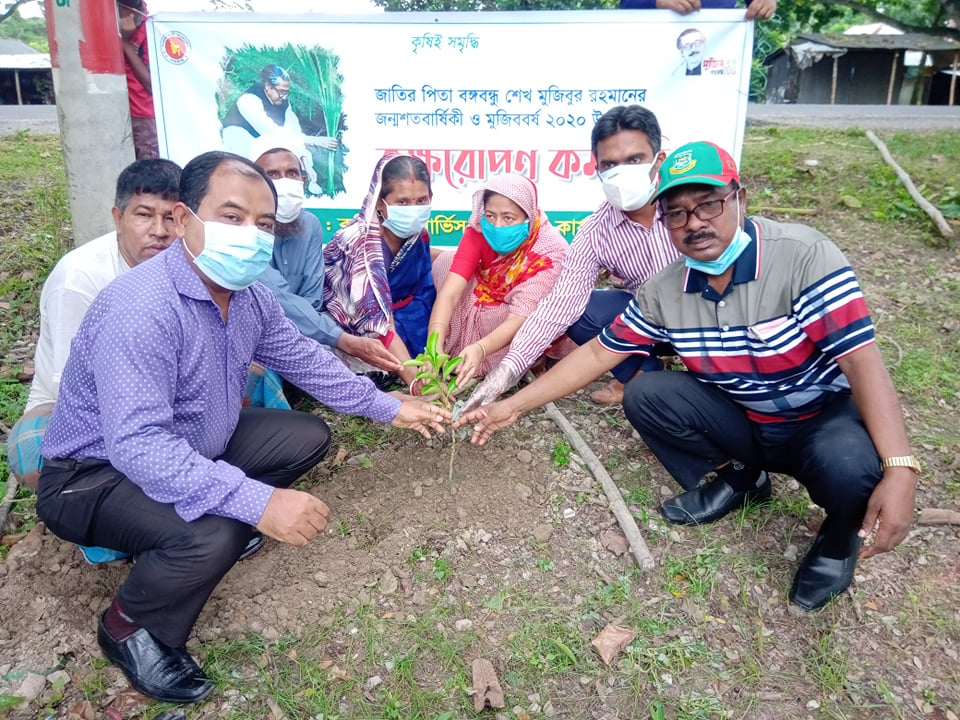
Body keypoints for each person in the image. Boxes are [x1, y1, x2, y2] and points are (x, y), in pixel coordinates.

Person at [35, 151, 450, 705]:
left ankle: (186, 519)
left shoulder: (248, 297)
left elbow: (304, 358)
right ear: (185, 220)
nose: (250, 236)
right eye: (231, 218)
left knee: (305, 436)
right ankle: (131, 625)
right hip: (93, 474)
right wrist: (256, 503)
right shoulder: (140, 307)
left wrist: (390, 407)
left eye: (262, 223)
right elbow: (138, 445)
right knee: (217, 531)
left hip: (187, 440)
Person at [457, 140, 917, 613]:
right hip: (745, 416)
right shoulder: (666, 290)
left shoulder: (802, 256)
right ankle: (742, 478)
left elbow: (862, 361)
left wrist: (900, 467)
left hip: (816, 416)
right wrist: (507, 404)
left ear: (740, 198)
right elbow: (597, 353)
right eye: (675, 213)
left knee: (850, 465)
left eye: (709, 204)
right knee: (647, 393)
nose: (694, 223)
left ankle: (839, 540)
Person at [461, 105, 678, 410]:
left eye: (634, 160)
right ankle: (640, 372)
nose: (622, 172)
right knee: (582, 311)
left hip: (705, 314)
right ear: (598, 169)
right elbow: (558, 307)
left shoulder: (687, 208)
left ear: (659, 160)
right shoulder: (596, 232)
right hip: (648, 318)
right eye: (610, 164)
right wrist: (508, 370)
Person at [6, 158, 181, 497]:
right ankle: (97, 513)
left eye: (171, 217)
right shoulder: (79, 279)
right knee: (32, 448)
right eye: (144, 215)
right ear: (118, 219)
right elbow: (72, 388)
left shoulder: (184, 264)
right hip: (84, 405)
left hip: (171, 391)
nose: (159, 230)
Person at [246, 132, 401, 374]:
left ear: (304, 182)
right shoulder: (245, 231)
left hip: (304, 329)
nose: (284, 181)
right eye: (272, 175)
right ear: (254, 184)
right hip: (256, 330)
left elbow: (312, 299)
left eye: (292, 173)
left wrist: (311, 335)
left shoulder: (310, 226)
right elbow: (276, 298)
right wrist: (342, 340)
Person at [427, 173, 566, 391]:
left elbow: (518, 318)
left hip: (518, 312)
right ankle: (455, 348)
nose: (497, 225)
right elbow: (450, 293)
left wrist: (481, 348)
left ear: (528, 215)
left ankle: (528, 359)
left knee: (524, 323)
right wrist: (433, 346)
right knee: (446, 264)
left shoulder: (548, 252)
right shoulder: (480, 229)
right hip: (484, 292)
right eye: (490, 215)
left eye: (508, 218)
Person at [323, 152, 438, 390]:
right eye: (403, 202)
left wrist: (432, 352)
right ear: (379, 203)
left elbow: (425, 290)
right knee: (366, 366)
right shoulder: (359, 244)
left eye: (421, 201)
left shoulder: (418, 235)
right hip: (358, 325)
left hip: (407, 317)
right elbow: (379, 322)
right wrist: (416, 383)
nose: (414, 210)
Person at [221, 64, 337, 196]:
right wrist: (315, 141)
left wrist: (306, 164)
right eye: (281, 91)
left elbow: (293, 132)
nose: (284, 96)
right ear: (268, 87)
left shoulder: (284, 104)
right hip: (239, 146)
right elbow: (272, 132)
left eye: (287, 92)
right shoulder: (248, 100)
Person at [117, 0, 159, 158]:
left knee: (149, 171)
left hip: (144, 115)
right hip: (124, 111)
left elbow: (151, 85)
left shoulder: (149, 31)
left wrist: (125, 42)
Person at [619, 0, 777, 21]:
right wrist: (658, 2)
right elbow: (627, 5)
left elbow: (760, 4)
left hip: (717, 57)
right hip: (652, 47)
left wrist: (767, 4)